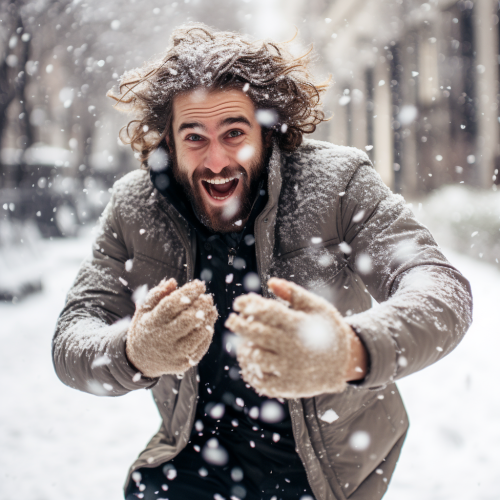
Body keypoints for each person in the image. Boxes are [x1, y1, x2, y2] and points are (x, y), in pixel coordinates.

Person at [52, 24, 473, 500]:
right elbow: (73, 334)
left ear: (268, 132)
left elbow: (440, 287)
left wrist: (347, 351)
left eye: (234, 133)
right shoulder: (134, 206)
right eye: (194, 137)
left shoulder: (338, 180)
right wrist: (134, 350)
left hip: (325, 473)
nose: (215, 160)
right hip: (188, 462)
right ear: (168, 142)